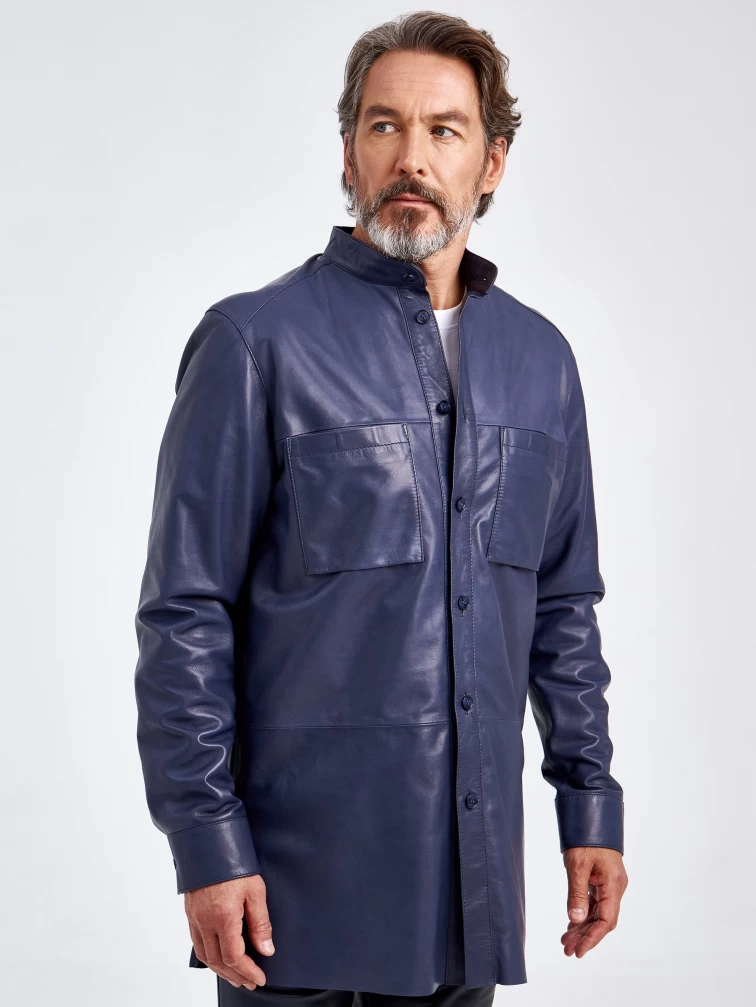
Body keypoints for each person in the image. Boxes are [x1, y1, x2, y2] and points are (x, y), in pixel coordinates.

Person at [133, 11, 628, 1006]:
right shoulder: (255, 343)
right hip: (290, 904)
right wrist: (206, 842)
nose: (412, 156)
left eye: (445, 129)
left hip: (471, 897)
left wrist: (591, 806)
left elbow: (564, 610)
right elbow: (185, 613)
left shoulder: (541, 363)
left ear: (492, 162)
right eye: (384, 125)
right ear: (348, 152)